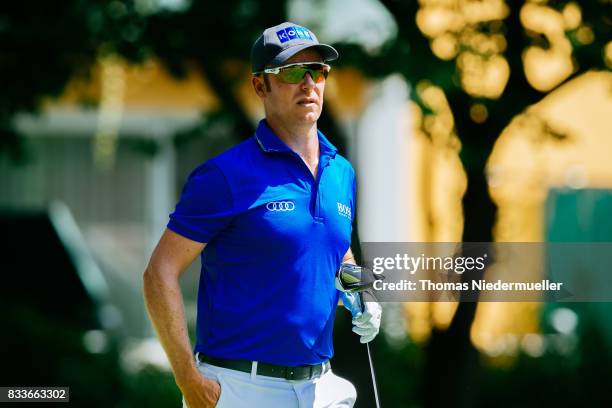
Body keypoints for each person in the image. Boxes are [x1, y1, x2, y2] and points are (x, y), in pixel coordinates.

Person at [143, 21, 382, 408]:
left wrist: (361, 291)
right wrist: (188, 380)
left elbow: (335, 253)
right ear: (260, 86)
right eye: (291, 72)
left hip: (321, 387)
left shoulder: (342, 173)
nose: (308, 83)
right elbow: (159, 274)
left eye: (317, 71)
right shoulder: (224, 175)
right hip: (239, 387)